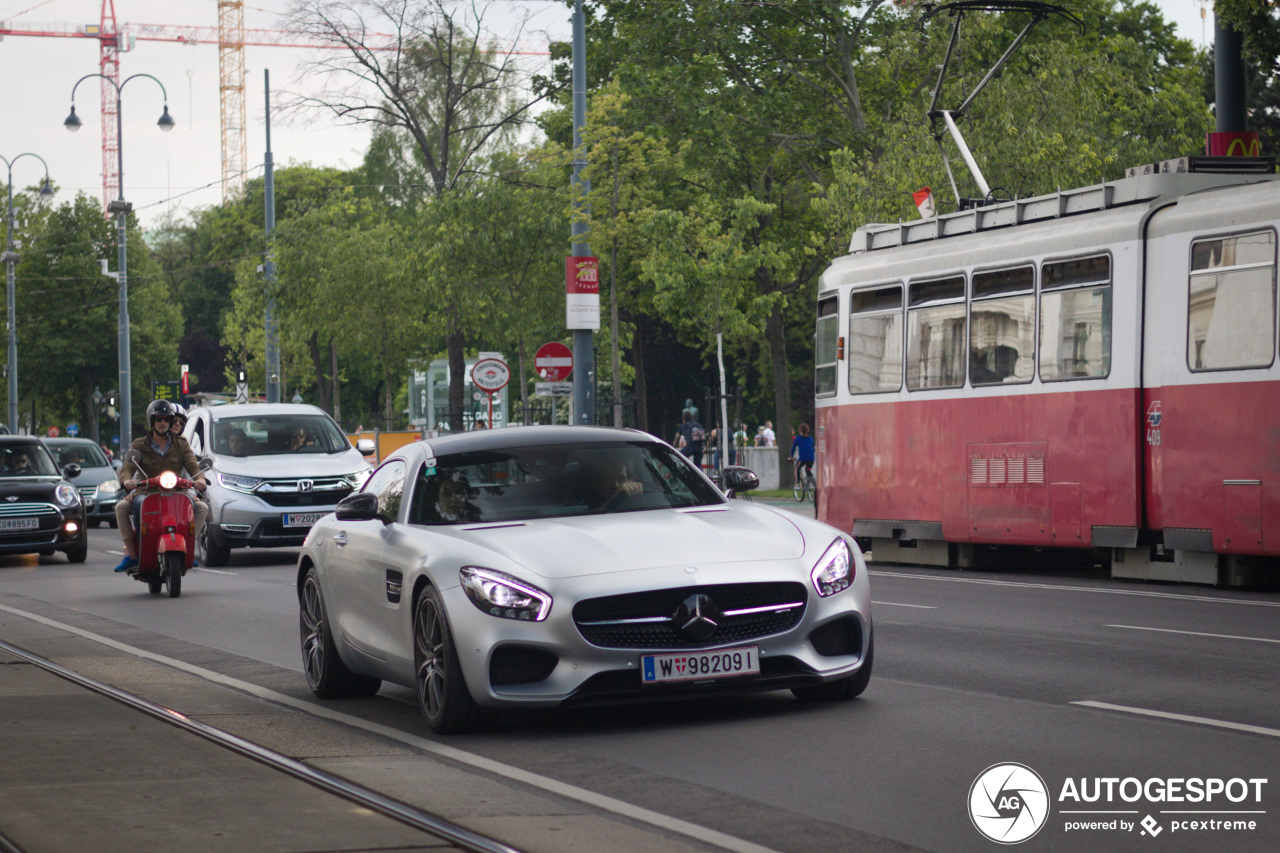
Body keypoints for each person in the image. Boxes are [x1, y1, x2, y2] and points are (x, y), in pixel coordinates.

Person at [113, 399, 209, 573]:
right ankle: (132, 554)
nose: (163, 423)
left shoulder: (181, 444)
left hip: (177, 492)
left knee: (201, 507)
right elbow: (128, 468)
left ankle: (188, 550)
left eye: (166, 419)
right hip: (147, 492)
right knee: (122, 506)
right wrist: (126, 481)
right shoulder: (139, 444)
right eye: (158, 419)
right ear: (152, 421)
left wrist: (200, 480)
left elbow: (193, 466)